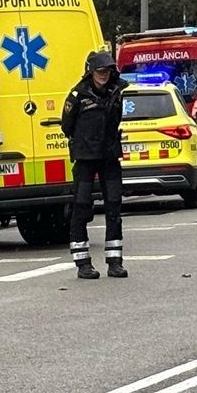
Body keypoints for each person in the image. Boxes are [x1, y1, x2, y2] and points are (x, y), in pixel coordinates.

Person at [62, 48, 127, 280]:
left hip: (109, 156)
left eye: (107, 71)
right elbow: (66, 125)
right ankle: (82, 263)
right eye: (100, 71)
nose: (104, 75)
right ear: (91, 72)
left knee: (114, 206)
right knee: (81, 207)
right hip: (86, 157)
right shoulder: (78, 96)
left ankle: (115, 262)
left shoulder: (116, 92)